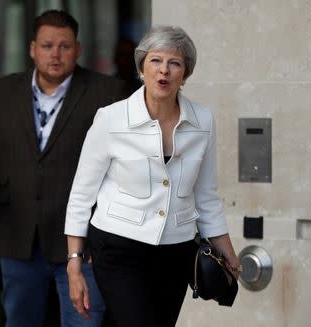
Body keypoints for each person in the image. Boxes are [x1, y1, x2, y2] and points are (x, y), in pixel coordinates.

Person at [0, 9, 127, 327]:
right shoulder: (0, 91)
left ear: (78, 49)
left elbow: (128, 163)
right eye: (47, 46)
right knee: (20, 322)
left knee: (83, 322)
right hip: (17, 235)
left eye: (64, 46)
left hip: (82, 240)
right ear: (32, 48)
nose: (55, 54)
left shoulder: (108, 93)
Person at [64, 25, 242, 327]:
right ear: (141, 68)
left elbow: (206, 195)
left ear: (184, 74)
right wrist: (74, 264)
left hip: (177, 250)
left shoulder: (203, 121)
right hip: (119, 248)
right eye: (156, 61)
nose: (164, 71)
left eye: (175, 63)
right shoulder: (111, 119)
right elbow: (82, 195)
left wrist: (228, 254)